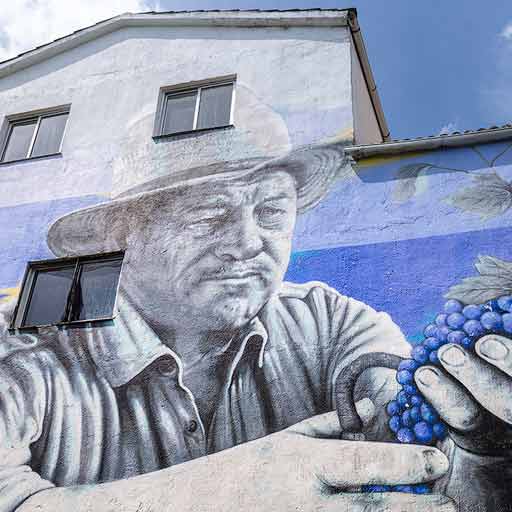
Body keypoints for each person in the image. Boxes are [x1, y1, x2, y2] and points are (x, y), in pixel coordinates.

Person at [0, 141, 508, 512]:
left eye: (269, 212)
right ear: (120, 236)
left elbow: (421, 458)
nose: (247, 243)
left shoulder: (331, 322)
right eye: (206, 216)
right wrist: (226, 493)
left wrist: (480, 454)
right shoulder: (26, 348)